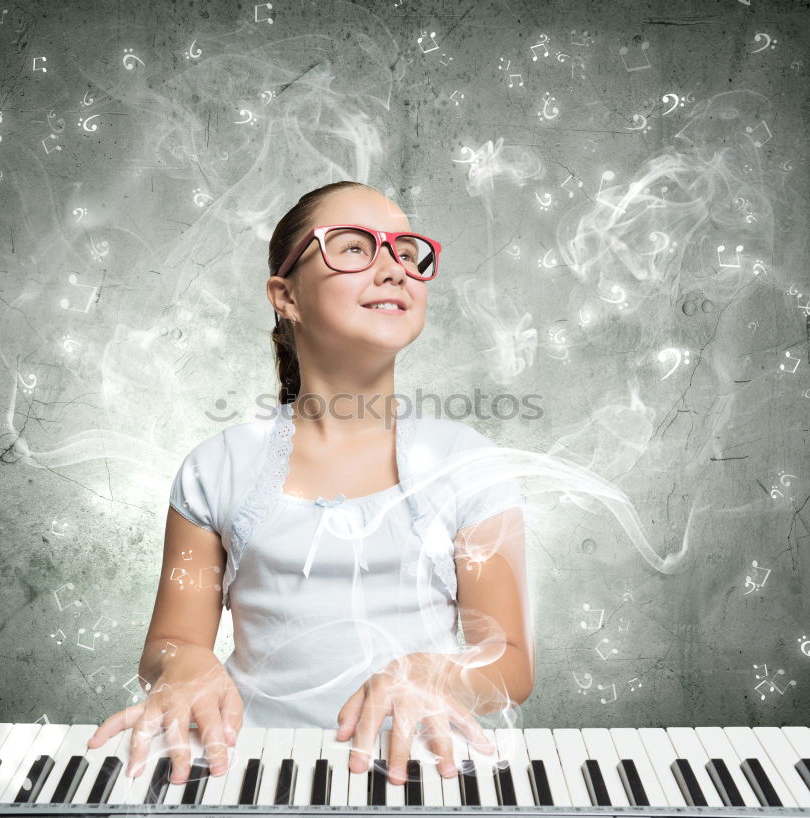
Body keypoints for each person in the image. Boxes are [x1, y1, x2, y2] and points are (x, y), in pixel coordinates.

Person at [87, 181, 534, 791]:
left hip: (423, 778)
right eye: (353, 248)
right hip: (250, 777)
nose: (393, 268)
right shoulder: (215, 469)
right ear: (286, 295)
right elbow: (168, 643)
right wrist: (183, 662)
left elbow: (508, 661)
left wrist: (434, 674)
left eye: (406, 251)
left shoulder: (467, 464)